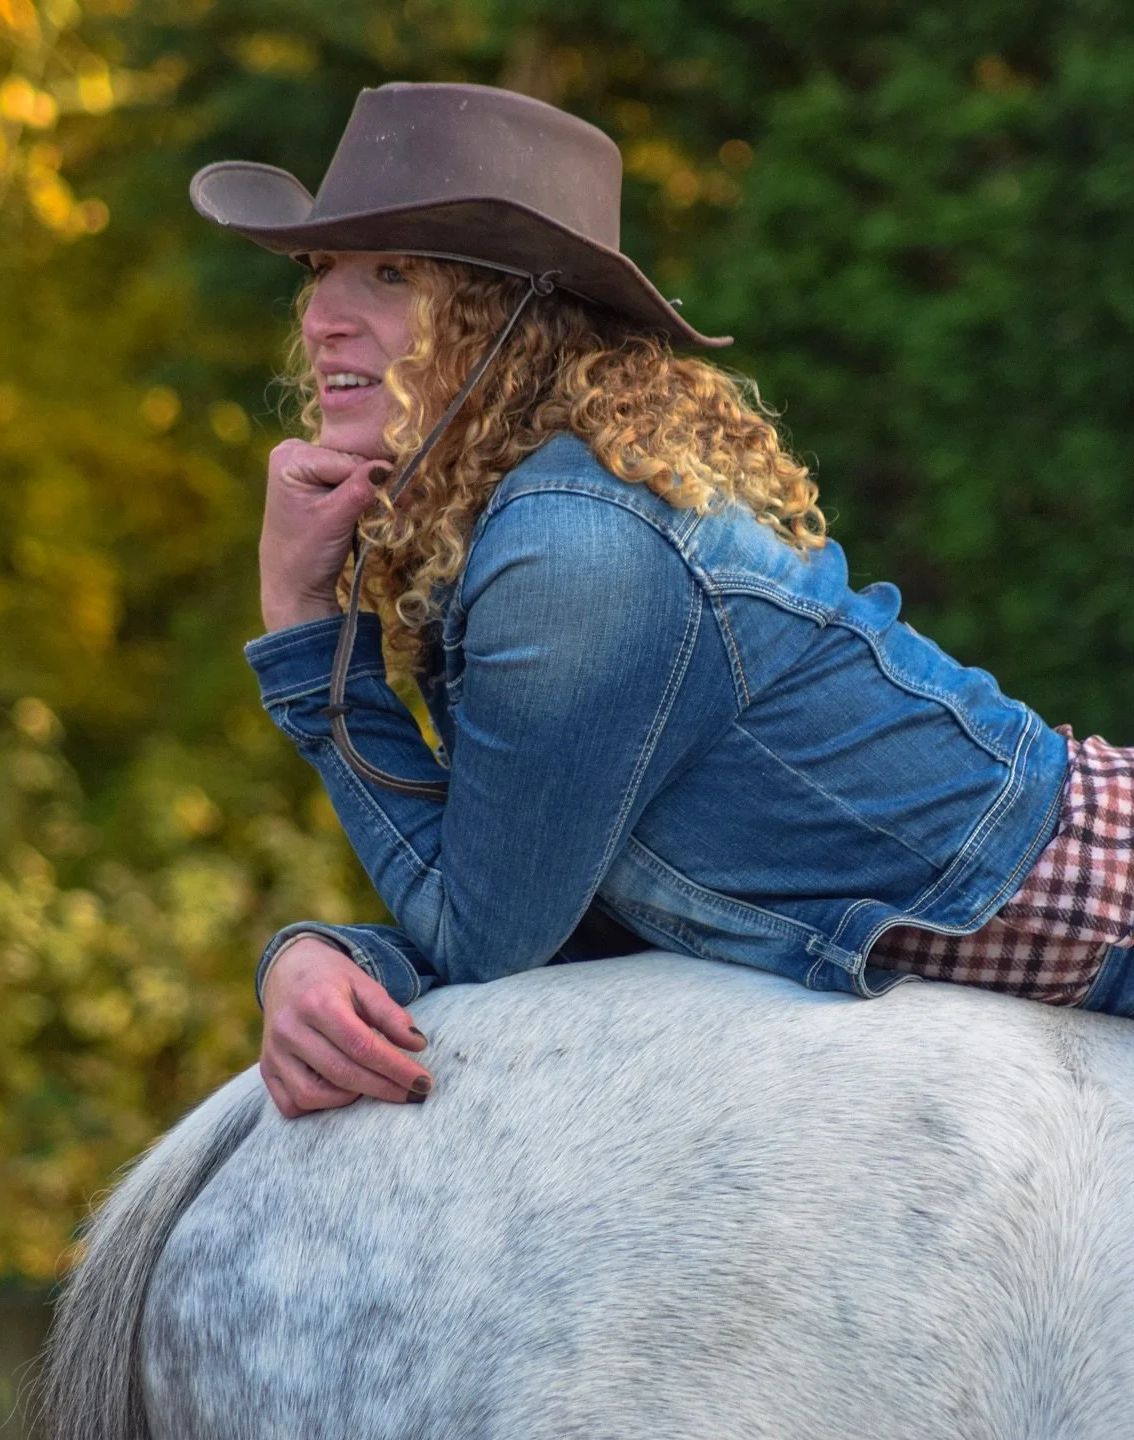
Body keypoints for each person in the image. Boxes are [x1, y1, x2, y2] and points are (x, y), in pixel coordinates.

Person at [189, 81, 1134, 1120]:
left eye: (393, 273)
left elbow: (488, 944)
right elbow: (565, 915)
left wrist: (303, 625)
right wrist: (322, 954)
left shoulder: (574, 545)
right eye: (322, 270)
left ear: (508, 314)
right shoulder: (531, 523)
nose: (320, 317)